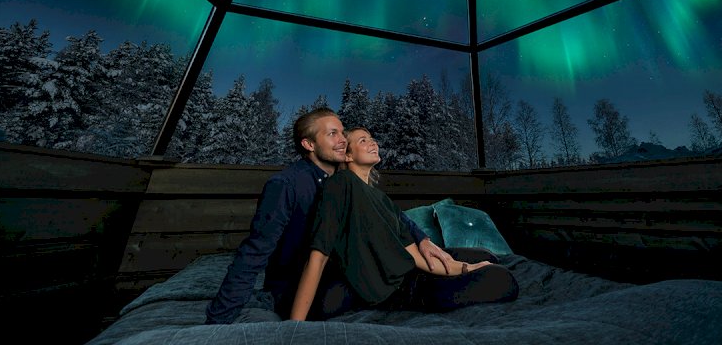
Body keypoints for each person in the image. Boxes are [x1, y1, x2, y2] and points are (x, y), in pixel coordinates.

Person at [205, 108, 454, 323]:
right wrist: (217, 322)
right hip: (303, 288)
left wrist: (423, 239)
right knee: (425, 281)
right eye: (332, 133)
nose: (342, 139)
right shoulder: (286, 185)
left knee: (446, 263)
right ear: (309, 144)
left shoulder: (346, 179)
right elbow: (253, 253)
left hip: (347, 272)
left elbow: (391, 214)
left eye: (342, 132)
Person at [290, 127, 519, 321]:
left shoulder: (379, 198)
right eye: (363, 140)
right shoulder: (341, 184)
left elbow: (410, 244)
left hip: (410, 268)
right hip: (400, 288)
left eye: (372, 138)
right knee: (502, 279)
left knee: (487, 256)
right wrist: (294, 326)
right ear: (347, 156)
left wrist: (445, 256)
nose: (373, 143)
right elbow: (318, 254)